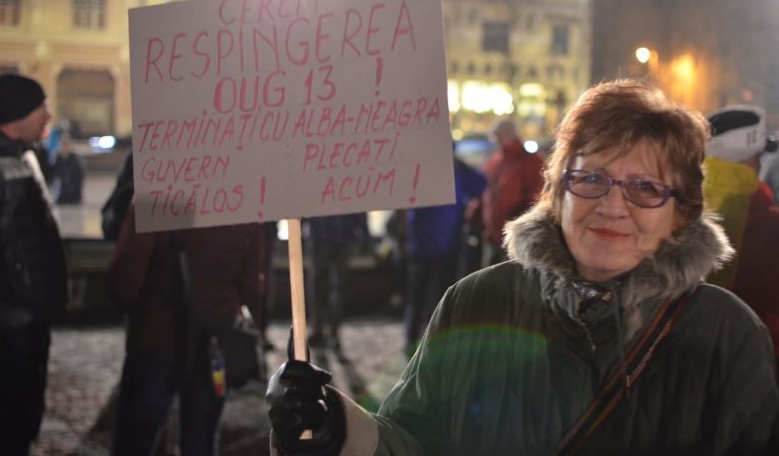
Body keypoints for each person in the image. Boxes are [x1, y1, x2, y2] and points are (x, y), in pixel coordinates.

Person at [266, 79, 779, 456]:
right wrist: (340, 429)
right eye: (591, 179)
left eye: (645, 187)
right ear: (557, 192)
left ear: (681, 212)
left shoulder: (727, 335)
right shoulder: (475, 301)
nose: (613, 206)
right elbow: (412, 439)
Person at [107, 206, 265, 456]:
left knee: (135, 440)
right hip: (215, 341)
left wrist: (128, 304)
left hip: (156, 338)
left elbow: (129, 271)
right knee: (201, 442)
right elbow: (251, 284)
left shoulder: (158, 191)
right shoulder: (240, 201)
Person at [0, 73, 68, 456]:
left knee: (27, 409)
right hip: (7, 315)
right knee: (15, 413)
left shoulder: (24, 156)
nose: (49, 115)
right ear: (18, 114)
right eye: (41, 106)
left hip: (31, 312)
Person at [703, 105, 779, 363]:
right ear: (749, 161)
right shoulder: (771, 225)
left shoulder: (677, 212)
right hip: (756, 369)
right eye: (758, 157)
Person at [404, 152, 486, 356]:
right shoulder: (453, 176)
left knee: (425, 299)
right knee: (431, 299)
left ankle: (418, 342)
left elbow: (481, 183)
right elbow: (481, 184)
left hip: (435, 249)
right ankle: (423, 342)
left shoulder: (437, 175)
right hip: (438, 249)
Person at [480, 117, 544, 266]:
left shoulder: (530, 161)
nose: (496, 141)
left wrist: (519, 224)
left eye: (498, 137)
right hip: (492, 234)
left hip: (514, 236)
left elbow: (535, 198)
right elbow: (486, 192)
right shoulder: (496, 160)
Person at [306, 213, 370, 354]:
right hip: (325, 234)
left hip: (338, 235)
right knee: (321, 286)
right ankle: (321, 329)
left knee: (334, 287)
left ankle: (330, 331)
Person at [49, 134, 85, 204]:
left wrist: (80, 191)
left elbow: (79, 176)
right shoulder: (57, 158)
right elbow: (52, 174)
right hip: (61, 191)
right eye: (63, 145)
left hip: (73, 192)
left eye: (66, 145)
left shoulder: (74, 158)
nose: (65, 147)